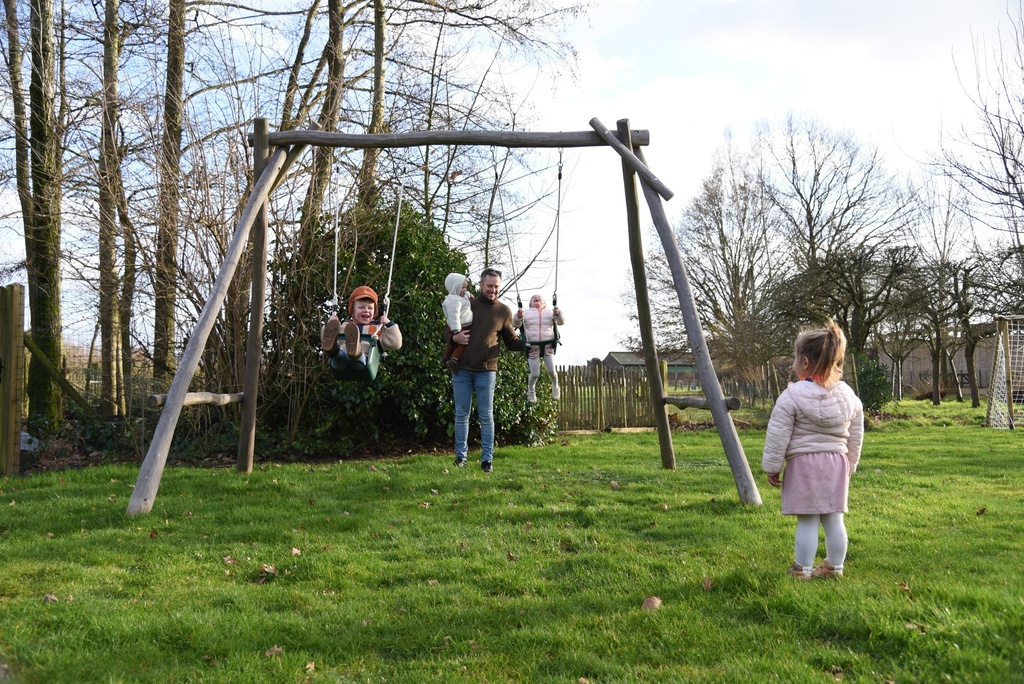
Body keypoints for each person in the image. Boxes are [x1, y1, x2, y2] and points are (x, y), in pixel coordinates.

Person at [762, 320, 864, 580]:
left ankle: (802, 569)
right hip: (837, 464)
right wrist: (851, 464)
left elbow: (777, 435)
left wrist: (772, 468)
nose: (794, 364)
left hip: (804, 465)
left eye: (795, 358)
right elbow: (856, 435)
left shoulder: (792, 396)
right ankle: (834, 567)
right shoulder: (849, 396)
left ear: (805, 363)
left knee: (807, 520)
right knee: (834, 519)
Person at [446, 267, 524, 472]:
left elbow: (511, 341)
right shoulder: (466, 303)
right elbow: (447, 332)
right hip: (462, 369)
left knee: (486, 416)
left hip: (487, 371)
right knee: (461, 414)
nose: (493, 290)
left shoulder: (503, 311)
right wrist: (454, 338)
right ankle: (460, 458)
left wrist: (532, 344)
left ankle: (486, 460)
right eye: (489, 286)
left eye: (496, 286)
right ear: (481, 285)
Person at [321, 286, 402, 373]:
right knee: (338, 357)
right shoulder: (345, 326)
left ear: (374, 312)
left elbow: (395, 344)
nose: (366, 310)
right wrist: (329, 325)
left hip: (364, 363)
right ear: (353, 311)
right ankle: (334, 351)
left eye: (370, 308)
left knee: (355, 358)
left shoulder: (378, 329)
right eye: (361, 307)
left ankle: (354, 351)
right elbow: (326, 341)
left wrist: (389, 324)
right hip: (341, 363)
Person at [512, 293, 565, 402]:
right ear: (530, 304)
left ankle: (555, 386)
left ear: (544, 304)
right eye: (533, 298)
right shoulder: (525, 313)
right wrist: (518, 316)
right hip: (532, 346)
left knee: (552, 371)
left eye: (539, 298)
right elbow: (516, 324)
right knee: (535, 374)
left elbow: (561, 322)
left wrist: (558, 313)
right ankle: (531, 389)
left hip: (548, 346)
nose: (536, 298)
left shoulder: (550, 312)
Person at [442, 272, 473, 374]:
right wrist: (457, 330)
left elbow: (465, 295)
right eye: (463, 288)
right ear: (455, 288)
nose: (465, 290)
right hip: (460, 325)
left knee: (453, 344)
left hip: (460, 325)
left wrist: (469, 295)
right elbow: (453, 315)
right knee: (463, 342)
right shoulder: (454, 301)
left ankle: (446, 356)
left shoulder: (458, 296)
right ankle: (454, 359)